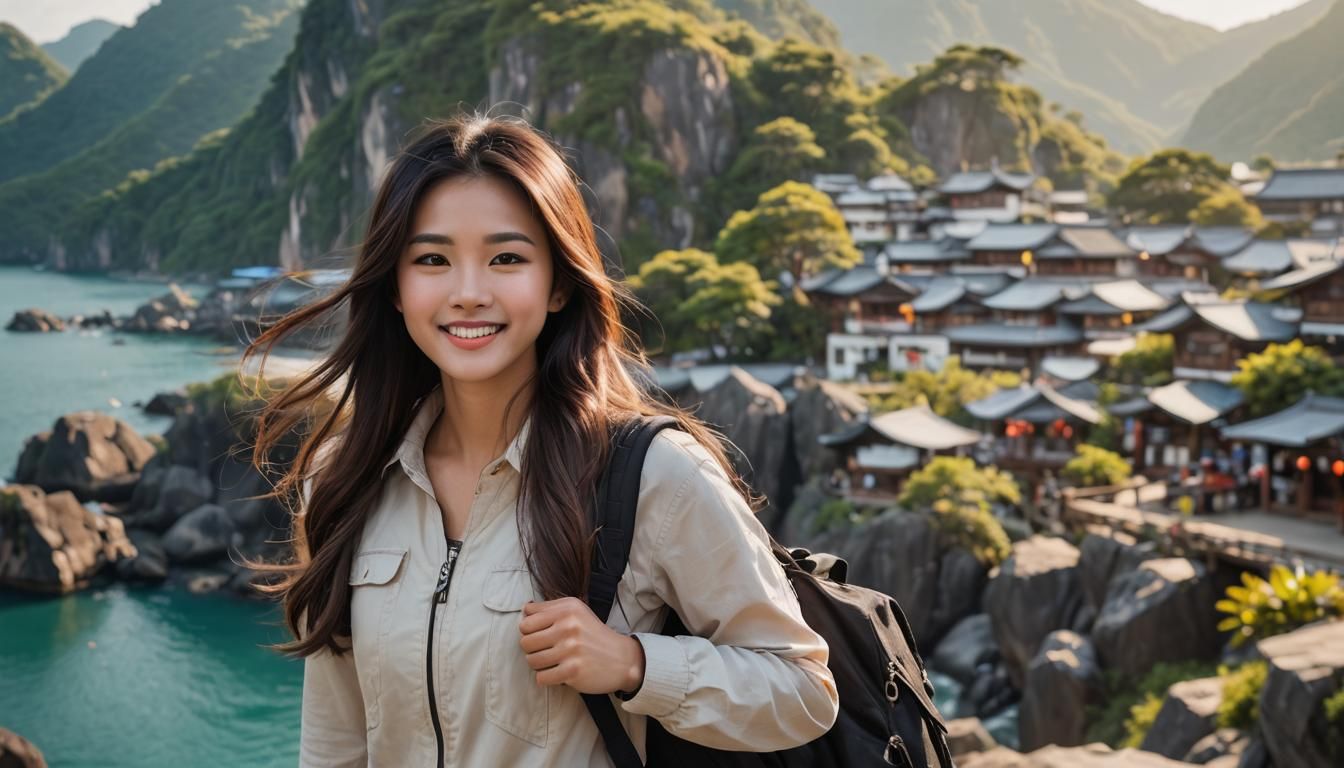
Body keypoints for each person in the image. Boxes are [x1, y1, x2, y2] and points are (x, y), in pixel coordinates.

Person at [241, 112, 838, 767]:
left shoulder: (652, 475)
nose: (468, 293)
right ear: (396, 287)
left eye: (507, 258)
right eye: (433, 259)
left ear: (557, 284)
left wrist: (635, 664)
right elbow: (333, 742)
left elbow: (803, 690)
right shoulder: (343, 478)